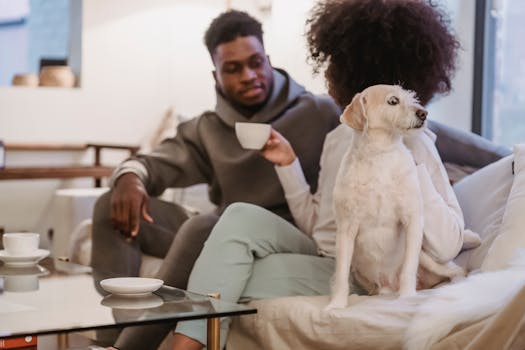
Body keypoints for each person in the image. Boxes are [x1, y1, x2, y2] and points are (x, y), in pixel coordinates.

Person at [170, 0, 474, 349]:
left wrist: (408, 166)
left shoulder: (416, 146)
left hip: (367, 273)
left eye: (331, 63)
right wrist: (288, 164)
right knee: (237, 218)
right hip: (326, 256)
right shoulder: (338, 139)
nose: (326, 74)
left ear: (350, 70)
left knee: (224, 272)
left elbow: (449, 242)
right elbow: (319, 227)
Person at [91, 9, 340, 349]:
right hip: (220, 237)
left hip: (286, 238)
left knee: (207, 226)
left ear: (268, 59)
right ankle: (107, 338)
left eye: (255, 62)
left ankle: (127, 348)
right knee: (111, 205)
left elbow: (423, 132)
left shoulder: (320, 111)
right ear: (216, 75)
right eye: (233, 69)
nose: (249, 75)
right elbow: (156, 161)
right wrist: (130, 177)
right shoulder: (207, 127)